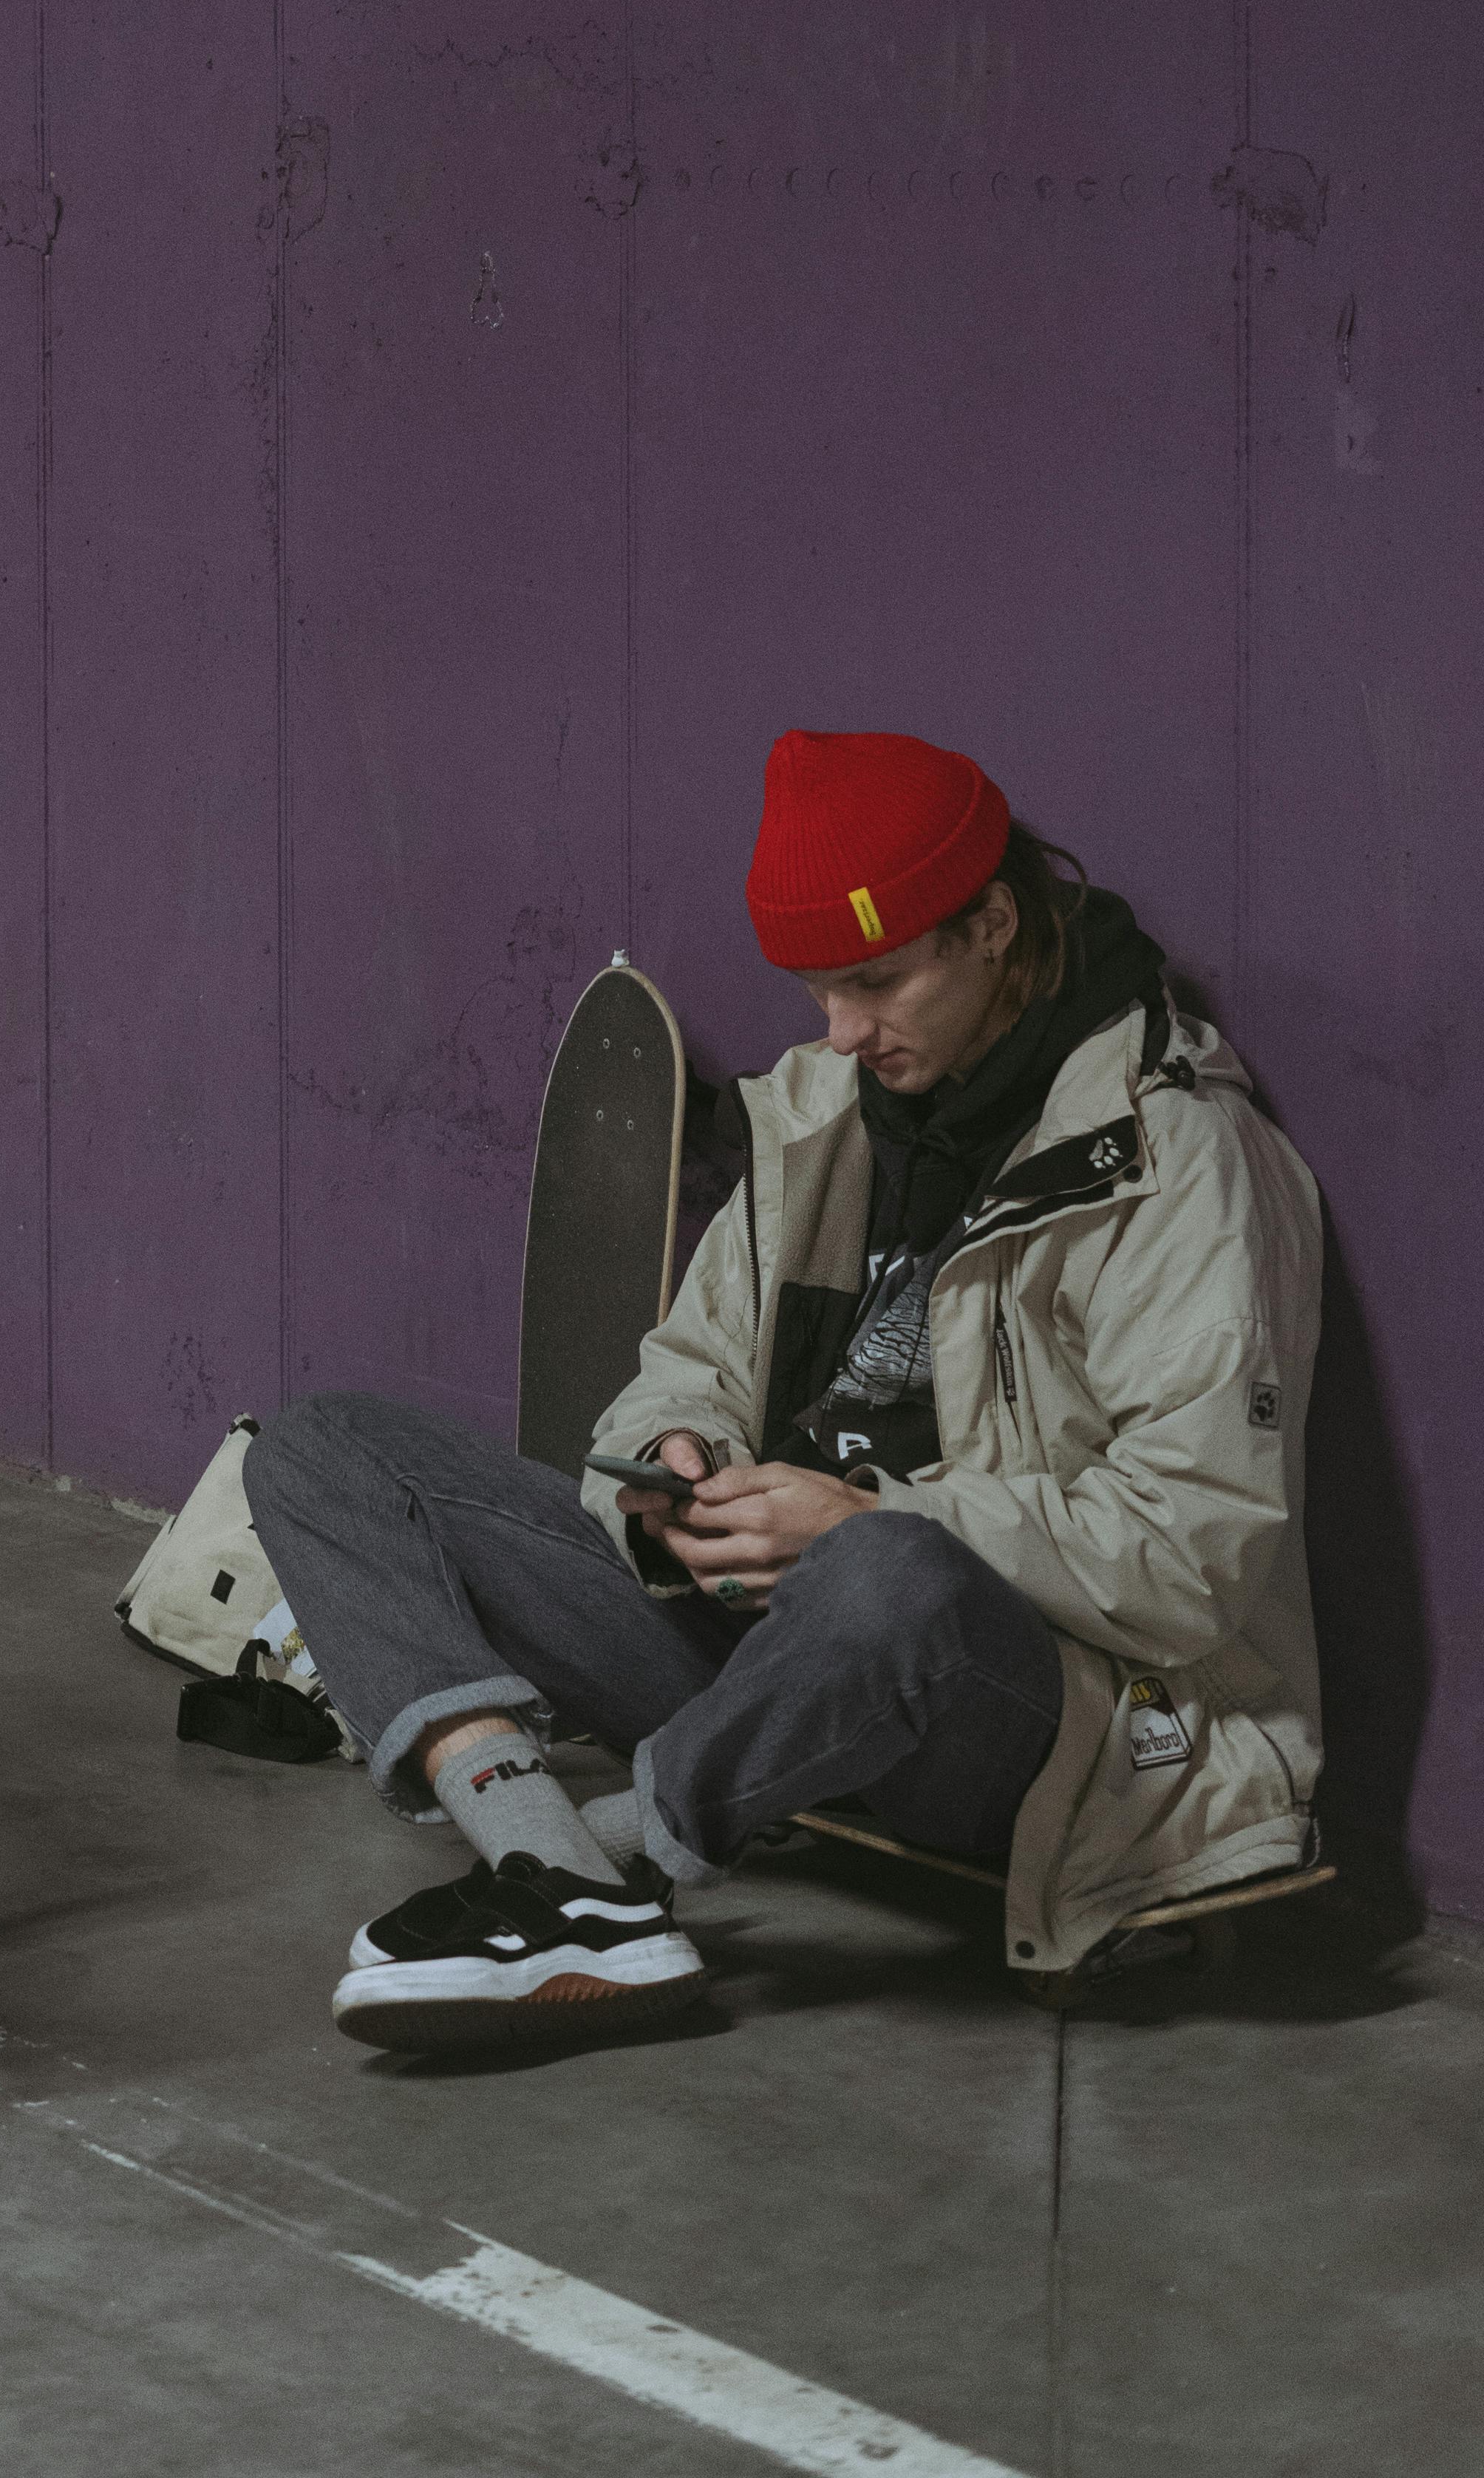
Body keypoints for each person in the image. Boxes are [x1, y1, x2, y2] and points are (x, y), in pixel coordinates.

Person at [248, 726, 1324, 2040]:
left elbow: (1190, 1552)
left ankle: (617, 1858)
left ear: (991, 925)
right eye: (819, 990)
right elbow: (685, 1367)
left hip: (1017, 1713)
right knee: (323, 1451)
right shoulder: (825, 1116)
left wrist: (868, 1516)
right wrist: (684, 1458)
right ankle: (561, 1869)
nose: (841, 1032)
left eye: (875, 982)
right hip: (764, 1660)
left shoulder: (1178, 1162)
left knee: (888, 1579)